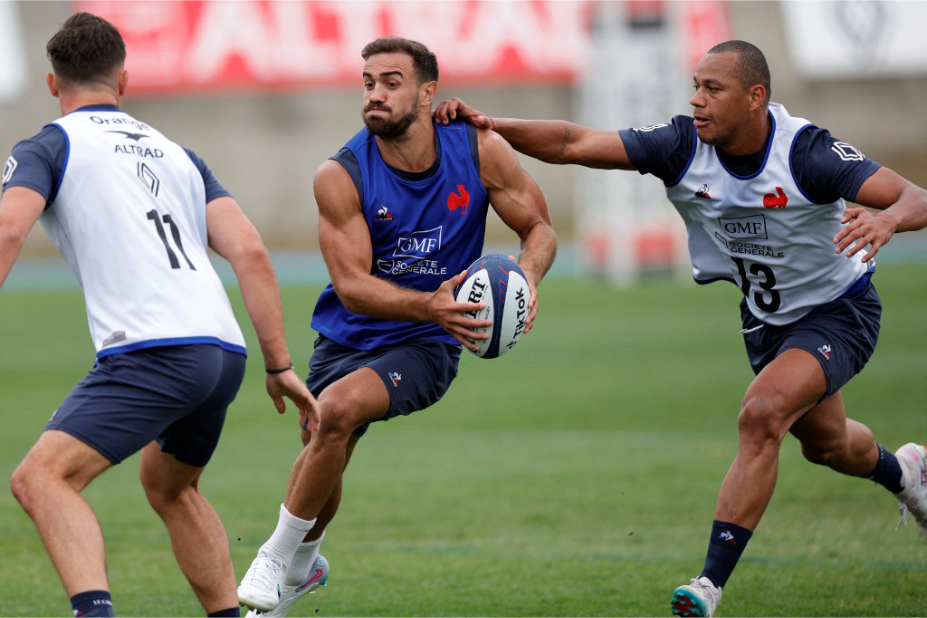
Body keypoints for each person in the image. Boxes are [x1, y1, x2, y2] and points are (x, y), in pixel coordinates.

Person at [434, 40, 927, 618]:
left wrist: (888, 219)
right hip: (766, 322)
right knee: (827, 445)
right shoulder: (681, 145)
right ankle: (908, 472)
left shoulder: (806, 154)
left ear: (755, 98)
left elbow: (913, 196)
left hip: (839, 312)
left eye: (712, 89)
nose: (696, 100)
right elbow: (574, 142)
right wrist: (488, 125)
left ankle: (708, 585)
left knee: (761, 413)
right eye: (695, 85)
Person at [2, 13, 319, 617]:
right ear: (123, 79)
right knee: (171, 487)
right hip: (221, 351)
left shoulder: (48, 145)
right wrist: (279, 363)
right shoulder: (178, 155)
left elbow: (8, 227)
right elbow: (249, 250)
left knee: (40, 479)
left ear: (52, 85)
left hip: (153, 349)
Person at [236, 36, 557, 616]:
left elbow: (539, 229)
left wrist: (527, 279)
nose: (375, 95)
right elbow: (353, 286)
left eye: (391, 82)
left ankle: (275, 557)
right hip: (351, 332)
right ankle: (306, 570)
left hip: (430, 341)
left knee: (335, 412)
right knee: (323, 441)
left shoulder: (479, 148)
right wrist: (427, 302)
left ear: (428, 92)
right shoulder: (340, 174)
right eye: (368, 83)